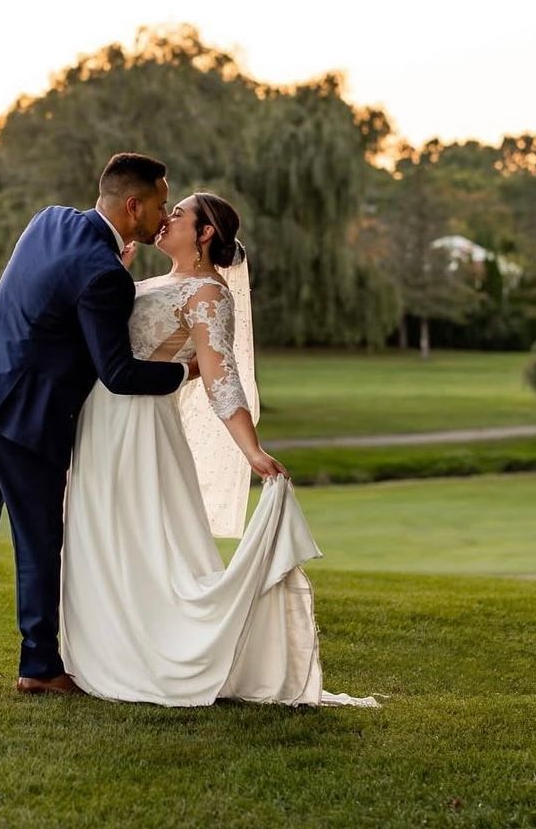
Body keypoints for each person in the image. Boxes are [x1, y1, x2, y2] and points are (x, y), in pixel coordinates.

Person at [60, 191, 379, 707]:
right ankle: (102, 647)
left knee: (139, 537)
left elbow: (220, 376)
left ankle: (156, 654)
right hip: (100, 416)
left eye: (179, 214)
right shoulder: (155, 281)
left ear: (205, 233)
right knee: (100, 531)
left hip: (138, 424)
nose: (166, 219)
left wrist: (251, 450)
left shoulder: (208, 294)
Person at [0, 153, 193, 695]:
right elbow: (117, 373)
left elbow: (51, 290)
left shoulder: (50, 221)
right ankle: (40, 665)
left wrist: (116, 256)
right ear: (133, 205)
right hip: (22, 413)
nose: (165, 214)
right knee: (40, 537)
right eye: (160, 204)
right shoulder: (104, 276)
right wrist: (186, 370)